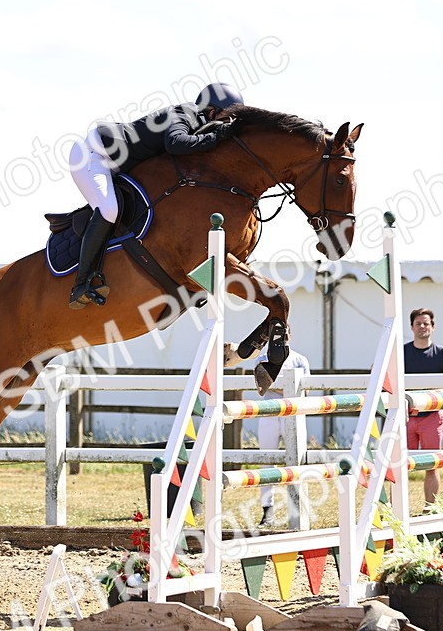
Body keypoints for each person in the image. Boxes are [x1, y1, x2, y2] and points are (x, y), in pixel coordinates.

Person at [65, 82, 244, 309]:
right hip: (92, 154)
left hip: (117, 163)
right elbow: (176, 143)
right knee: (110, 210)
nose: (224, 127)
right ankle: (81, 284)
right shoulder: (185, 113)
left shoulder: (197, 122)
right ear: (211, 112)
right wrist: (217, 137)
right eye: (225, 120)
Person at [254, 347, 310, 526]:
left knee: (297, 459)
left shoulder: (300, 359)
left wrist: (276, 384)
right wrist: (289, 386)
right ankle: (267, 510)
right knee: (266, 460)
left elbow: (306, 390)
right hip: (269, 412)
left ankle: (297, 508)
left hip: (293, 413)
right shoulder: (262, 359)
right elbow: (262, 387)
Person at [403, 307, 443, 505]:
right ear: (412, 327)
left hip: (432, 417)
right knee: (399, 465)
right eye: (418, 323)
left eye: (426, 323)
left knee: (432, 464)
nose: (422, 326)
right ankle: (399, 510)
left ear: (433, 326)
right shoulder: (400, 353)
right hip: (405, 416)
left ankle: (430, 508)